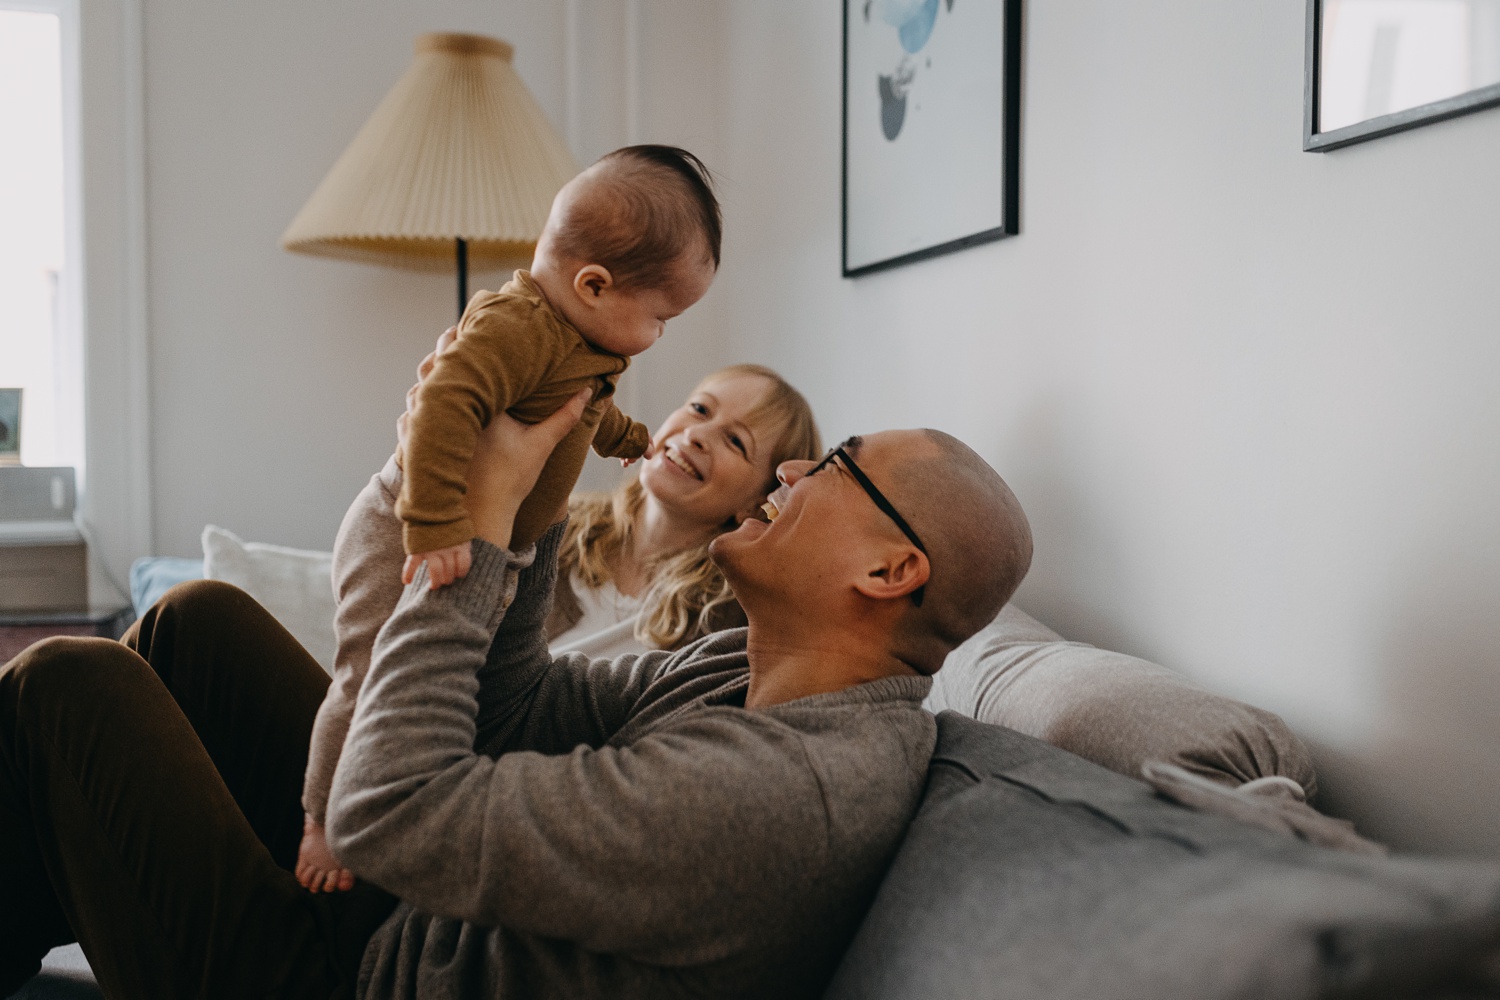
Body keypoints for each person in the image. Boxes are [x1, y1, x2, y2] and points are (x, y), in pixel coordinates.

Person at [0, 397, 1032, 1000]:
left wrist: (481, 533)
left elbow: (391, 809)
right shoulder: (742, 665)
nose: (797, 467)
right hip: (404, 918)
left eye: (838, 466)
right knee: (199, 620)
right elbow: (515, 712)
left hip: (363, 983)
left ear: (892, 570)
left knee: (68, 683)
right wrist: (539, 493)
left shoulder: (785, 792)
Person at [296, 348, 821, 892]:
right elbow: (412, 611)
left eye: (737, 442)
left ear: (757, 502)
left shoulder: (724, 623)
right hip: (405, 736)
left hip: (482, 802)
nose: (697, 434)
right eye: (699, 408)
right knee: (209, 613)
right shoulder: (549, 523)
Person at [398, 143, 720, 590]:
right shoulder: (518, 329)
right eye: (660, 318)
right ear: (593, 286)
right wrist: (433, 522)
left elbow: (583, 405)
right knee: (372, 650)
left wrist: (624, 435)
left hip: (485, 536)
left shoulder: (574, 345)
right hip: (414, 531)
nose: (660, 334)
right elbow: (440, 406)